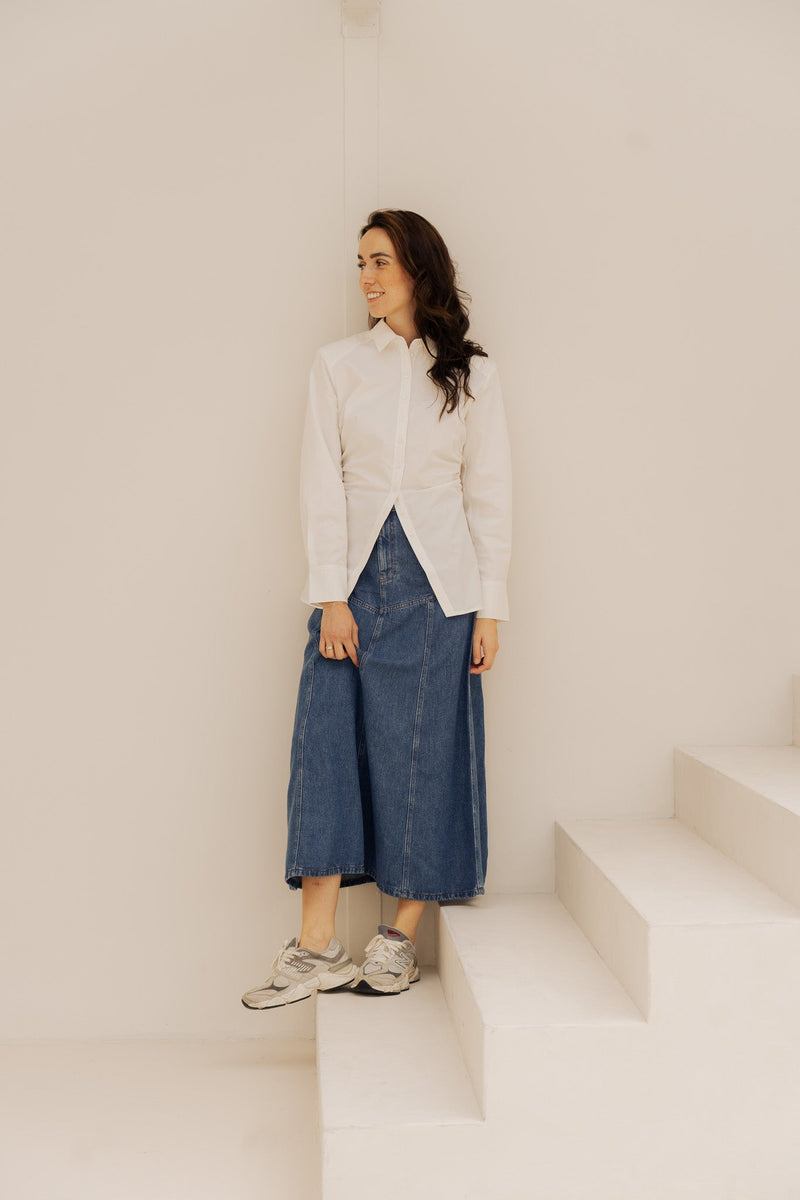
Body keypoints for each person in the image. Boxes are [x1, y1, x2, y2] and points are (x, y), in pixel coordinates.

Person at [242, 209, 511, 1009]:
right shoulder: (337, 365)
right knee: (323, 751)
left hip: (440, 587)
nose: (365, 276)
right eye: (360, 262)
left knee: (418, 757)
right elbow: (320, 483)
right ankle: (315, 947)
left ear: (419, 268)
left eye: (380, 261)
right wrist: (331, 596)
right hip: (352, 581)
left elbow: (489, 493)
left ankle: (398, 938)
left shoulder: (472, 374)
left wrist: (489, 607)